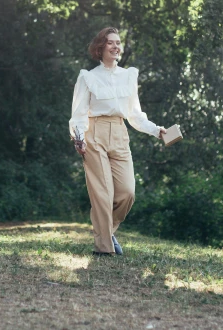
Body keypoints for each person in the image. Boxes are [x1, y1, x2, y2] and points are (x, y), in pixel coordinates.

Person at [69, 27, 167, 256]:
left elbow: (134, 114)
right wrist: (79, 138)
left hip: (120, 133)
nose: (116, 46)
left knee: (127, 192)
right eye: (110, 43)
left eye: (118, 42)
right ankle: (104, 248)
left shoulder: (129, 76)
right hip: (94, 133)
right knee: (103, 193)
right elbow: (79, 113)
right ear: (100, 48)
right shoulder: (88, 77)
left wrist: (156, 130)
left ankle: (107, 231)